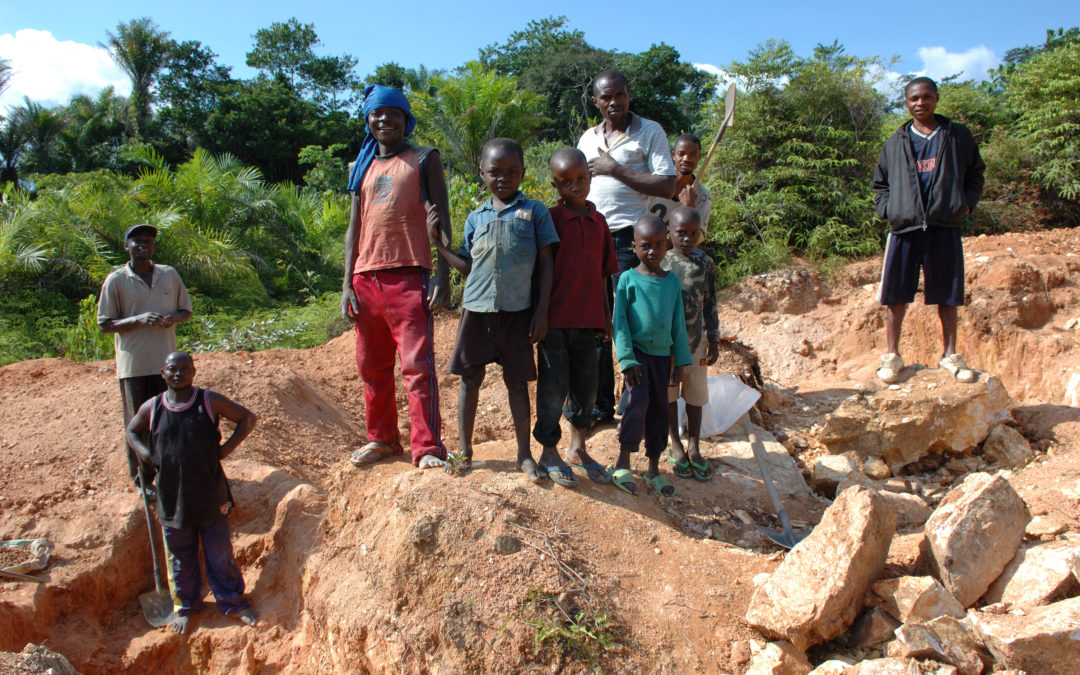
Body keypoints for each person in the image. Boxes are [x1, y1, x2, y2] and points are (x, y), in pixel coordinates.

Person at [430, 138, 559, 484]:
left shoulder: (534, 212)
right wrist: (439, 246)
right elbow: (468, 267)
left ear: (522, 173)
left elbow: (547, 264)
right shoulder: (475, 218)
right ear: (482, 174)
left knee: (517, 383)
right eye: (495, 172)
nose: (503, 178)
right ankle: (465, 451)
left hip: (517, 311)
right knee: (470, 380)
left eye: (511, 171)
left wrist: (541, 311)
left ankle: (524, 455)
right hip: (476, 310)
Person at [341, 84, 451, 470]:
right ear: (368, 120)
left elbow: (443, 218)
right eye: (377, 114)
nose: (384, 119)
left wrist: (443, 276)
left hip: (409, 275)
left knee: (417, 367)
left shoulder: (424, 158)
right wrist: (346, 287)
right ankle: (382, 439)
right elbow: (353, 229)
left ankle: (427, 447)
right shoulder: (361, 167)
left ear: (406, 120)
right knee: (371, 367)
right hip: (365, 279)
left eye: (393, 114)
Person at [125, 351, 258, 634]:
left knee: (219, 552)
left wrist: (224, 451)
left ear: (194, 372)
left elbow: (247, 419)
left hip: (211, 493)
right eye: (172, 369)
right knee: (179, 555)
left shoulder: (208, 401)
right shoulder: (154, 407)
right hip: (172, 498)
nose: (178, 374)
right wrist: (148, 456)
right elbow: (132, 431)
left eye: (184, 369)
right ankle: (185, 606)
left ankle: (233, 602)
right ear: (163, 373)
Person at [577, 69, 677, 429]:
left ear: (628, 95)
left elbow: (668, 185)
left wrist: (614, 169)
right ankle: (603, 404)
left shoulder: (650, 131)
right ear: (596, 102)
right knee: (598, 322)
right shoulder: (587, 138)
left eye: (619, 95)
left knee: (630, 321)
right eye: (606, 97)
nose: (614, 102)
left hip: (627, 239)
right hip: (591, 238)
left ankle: (634, 400)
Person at [872, 76, 985, 384]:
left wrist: (966, 203)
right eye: (913, 99)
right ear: (906, 103)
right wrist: (889, 210)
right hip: (904, 228)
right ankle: (892, 357)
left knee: (947, 294)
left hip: (943, 225)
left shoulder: (956, 136)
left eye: (926, 97)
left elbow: (976, 173)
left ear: (936, 98)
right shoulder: (895, 142)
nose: (920, 103)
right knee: (894, 294)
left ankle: (950, 355)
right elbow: (880, 184)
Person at [533, 148, 619, 486]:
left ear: (590, 177)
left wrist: (607, 317)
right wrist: (539, 315)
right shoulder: (550, 220)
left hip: (589, 321)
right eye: (566, 182)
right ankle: (549, 450)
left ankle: (578, 448)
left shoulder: (600, 223)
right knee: (553, 387)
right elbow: (542, 269)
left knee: (587, 387)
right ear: (555, 184)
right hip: (555, 321)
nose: (575, 187)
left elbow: (602, 275)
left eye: (581, 179)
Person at [98, 224, 193, 499]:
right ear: (126, 245)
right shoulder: (116, 280)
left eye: (148, 242)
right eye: (137, 241)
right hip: (134, 365)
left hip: (168, 366)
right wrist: (137, 319)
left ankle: (171, 473)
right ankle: (143, 480)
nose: (143, 245)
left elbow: (185, 311)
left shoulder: (169, 275)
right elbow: (104, 324)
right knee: (138, 423)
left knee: (169, 420)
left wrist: (170, 318)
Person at [610, 215, 691, 497]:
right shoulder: (627, 280)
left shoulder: (671, 283)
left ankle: (654, 468)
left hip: (662, 359)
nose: (653, 251)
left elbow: (678, 324)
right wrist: (627, 359)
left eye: (659, 244)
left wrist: (680, 360)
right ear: (634, 247)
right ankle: (623, 462)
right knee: (637, 403)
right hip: (638, 356)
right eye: (646, 245)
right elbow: (619, 322)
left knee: (659, 410)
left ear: (667, 244)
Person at [661, 207, 721, 482]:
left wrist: (715, 338)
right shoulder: (660, 260)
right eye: (680, 233)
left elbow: (711, 303)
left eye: (693, 233)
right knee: (669, 395)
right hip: (667, 343)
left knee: (696, 395)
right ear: (669, 232)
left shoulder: (705, 262)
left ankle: (694, 445)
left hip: (696, 340)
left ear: (700, 233)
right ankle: (675, 442)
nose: (687, 239)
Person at [648, 133, 712, 237]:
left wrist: (688, 209)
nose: (687, 159)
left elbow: (697, 237)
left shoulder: (703, 197)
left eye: (693, 154)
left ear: (699, 157)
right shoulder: (656, 181)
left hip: (673, 251)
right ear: (673, 155)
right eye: (681, 154)